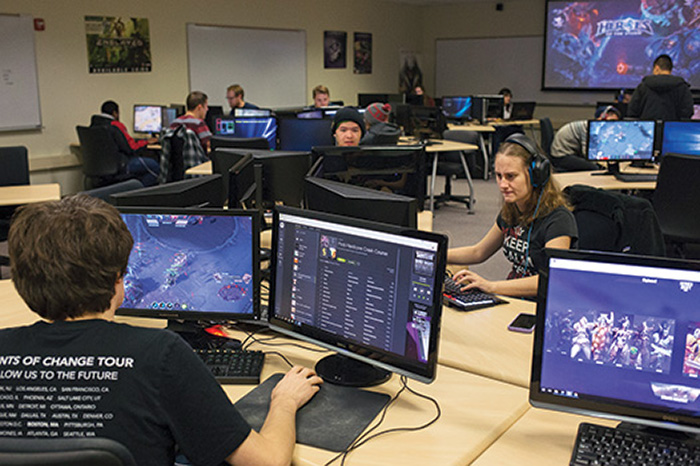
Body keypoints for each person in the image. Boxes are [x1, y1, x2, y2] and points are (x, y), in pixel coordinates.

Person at [1, 195, 322, 465]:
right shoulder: (159, 355)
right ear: (118, 278)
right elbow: (267, 461)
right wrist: (284, 400)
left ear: (21, 282)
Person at [448, 134, 577, 298]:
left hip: (541, 306)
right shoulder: (512, 210)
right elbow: (479, 252)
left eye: (511, 176)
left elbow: (552, 278)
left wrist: (490, 286)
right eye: (499, 176)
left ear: (536, 174)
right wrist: (436, 253)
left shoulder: (559, 220)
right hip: (511, 297)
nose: (502, 185)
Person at [90, 100, 160, 186]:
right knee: (154, 166)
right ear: (115, 113)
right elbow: (131, 148)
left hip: (99, 167)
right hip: (121, 165)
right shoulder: (116, 125)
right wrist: (146, 142)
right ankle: (136, 193)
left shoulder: (93, 125)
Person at [549, 105, 622, 172]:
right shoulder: (587, 128)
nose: (612, 125)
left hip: (569, 153)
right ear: (601, 118)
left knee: (599, 166)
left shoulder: (594, 128)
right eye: (611, 121)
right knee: (594, 168)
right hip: (561, 156)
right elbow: (586, 153)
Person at [627, 54, 693, 120]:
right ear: (670, 70)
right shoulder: (681, 87)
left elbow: (633, 111)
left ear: (656, 68)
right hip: (673, 128)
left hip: (648, 128)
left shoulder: (643, 86)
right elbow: (687, 112)